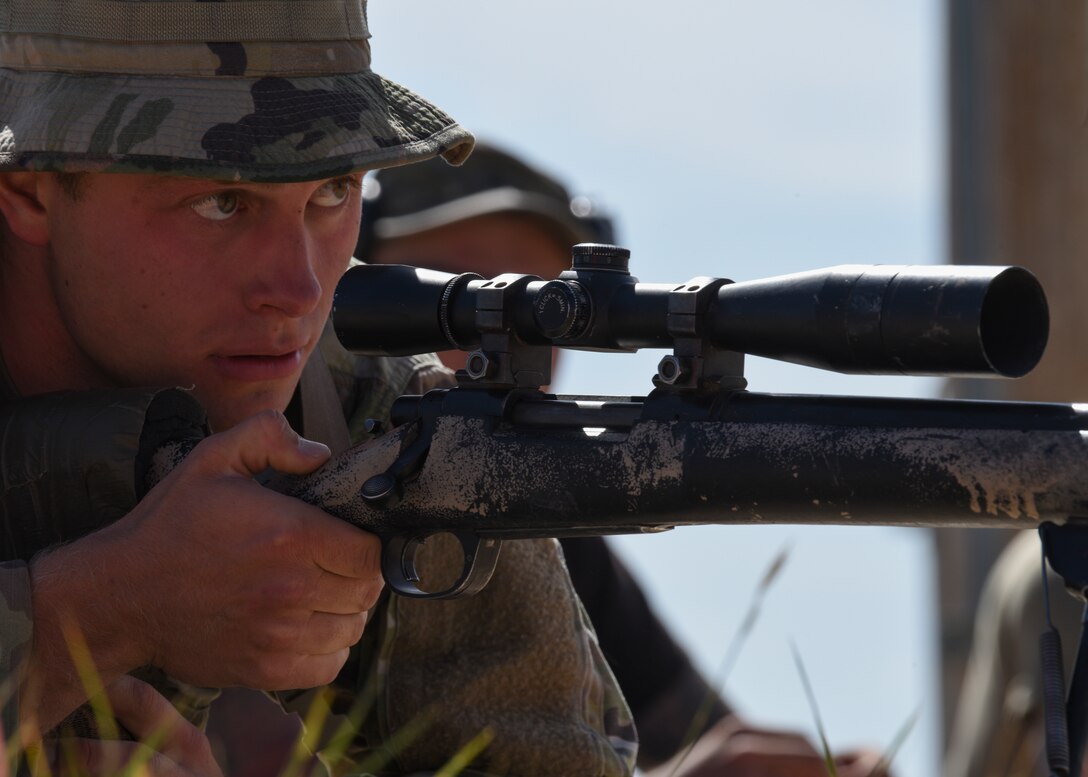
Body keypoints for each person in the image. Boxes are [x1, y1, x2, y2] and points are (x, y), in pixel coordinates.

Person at [0, 3, 637, 775]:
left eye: (333, 192)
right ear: (30, 188)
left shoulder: (374, 413)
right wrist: (98, 612)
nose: (299, 288)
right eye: (222, 201)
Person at [354, 142, 889, 777]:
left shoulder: (544, 526)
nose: (494, 335)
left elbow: (699, 734)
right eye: (451, 294)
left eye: (540, 308)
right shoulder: (292, 479)